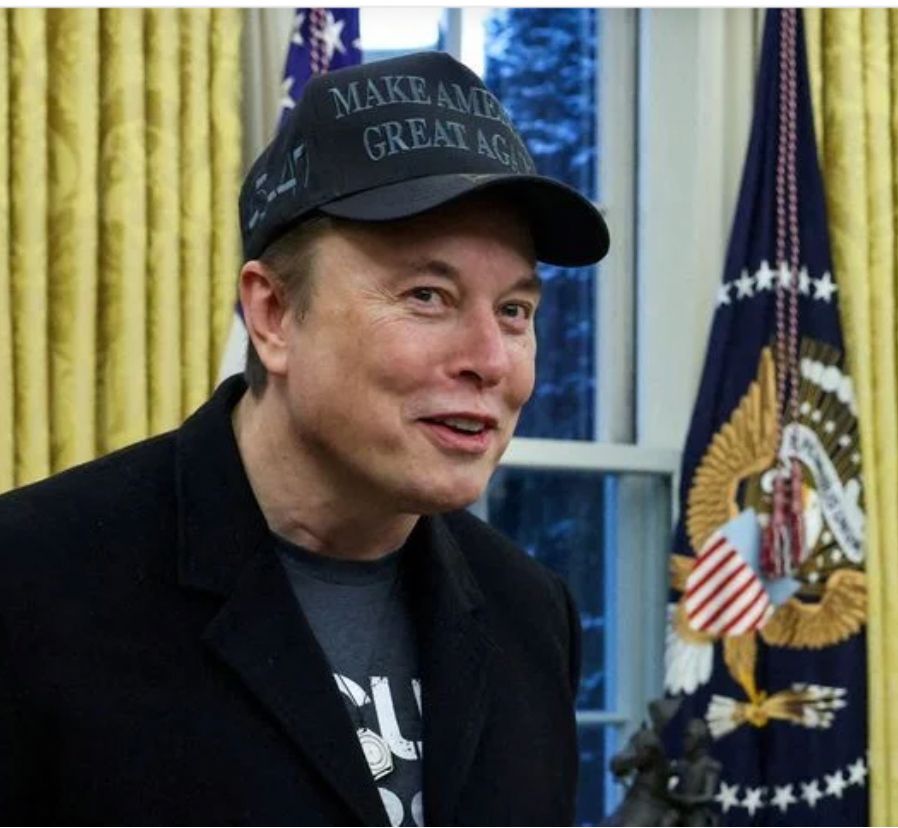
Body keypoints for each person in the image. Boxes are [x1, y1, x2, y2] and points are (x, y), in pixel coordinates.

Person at [0, 51, 609, 826]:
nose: (491, 361)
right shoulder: (31, 584)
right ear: (274, 314)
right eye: (428, 296)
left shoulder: (532, 614)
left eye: (515, 311)